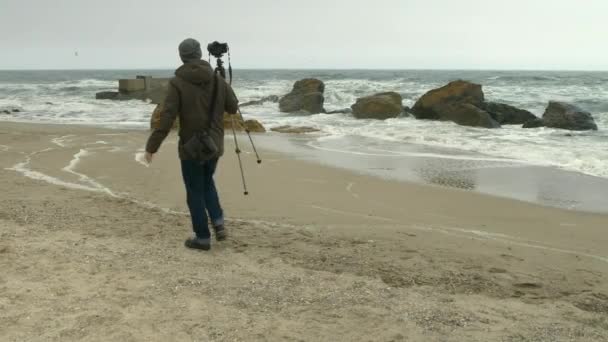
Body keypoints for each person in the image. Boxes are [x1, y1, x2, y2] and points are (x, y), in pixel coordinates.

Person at [144, 38, 239, 251]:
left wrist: (152, 146)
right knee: (207, 182)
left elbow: (167, 117)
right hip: (214, 144)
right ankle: (218, 222)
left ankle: (202, 238)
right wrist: (223, 83)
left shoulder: (177, 82)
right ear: (199, 54)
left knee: (195, 190)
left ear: (181, 56)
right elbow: (233, 107)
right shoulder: (217, 79)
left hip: (191, 146)